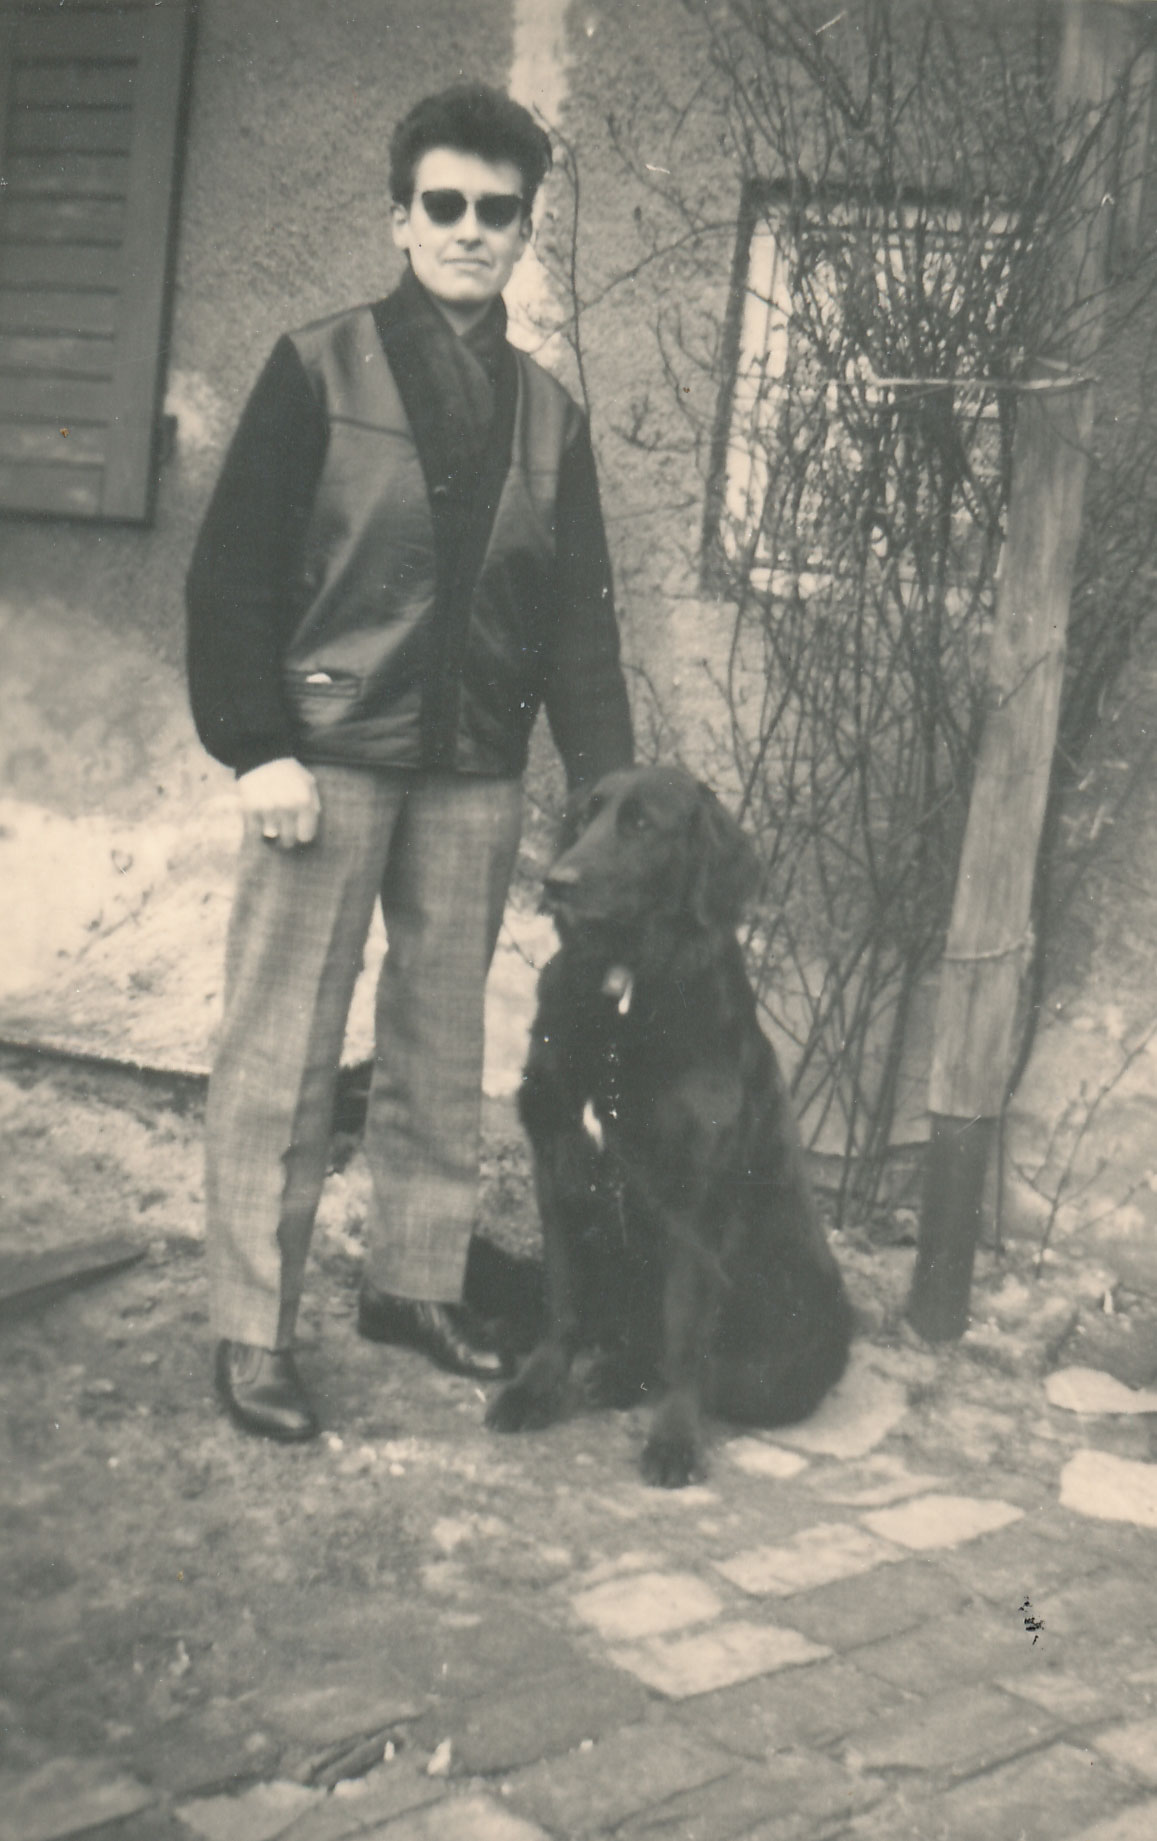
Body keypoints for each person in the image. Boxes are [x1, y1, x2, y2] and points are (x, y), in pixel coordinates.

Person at [186, 84, 633, 1442]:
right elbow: (230, 575)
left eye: (497, 212)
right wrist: (256, 745)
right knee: (283, 1052)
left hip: (472, 777)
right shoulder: (313, 367)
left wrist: (609, 809)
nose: (468, 230)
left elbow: (578, 630)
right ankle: (250, 1330)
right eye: (444, 204)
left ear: (522, 232)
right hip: (322, 770)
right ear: (399, 216)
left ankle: (414, 1285)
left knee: (442, 1052)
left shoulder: (548, 417)